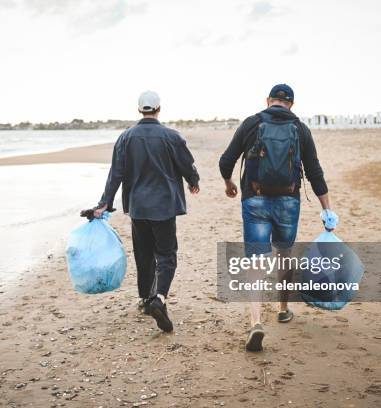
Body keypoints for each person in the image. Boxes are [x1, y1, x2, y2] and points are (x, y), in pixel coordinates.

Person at [218, 84, 338, 351]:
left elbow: (226, 161)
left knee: (256, 262)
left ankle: (256, 322)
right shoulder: (300, 129)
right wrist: (327, 209)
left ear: (268, 100)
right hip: (288, 201)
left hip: (255, 200)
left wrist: (229, 184)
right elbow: (314, 172)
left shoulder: (251, 123)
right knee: (284, 254)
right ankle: (283, 309)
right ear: (291, 104)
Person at [93, 90, 200, 333]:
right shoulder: (171, 136)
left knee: (143, 254)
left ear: (140, 109)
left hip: (138, 207)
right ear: (159, 109)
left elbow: (115, 175)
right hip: (164, 206)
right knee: (166, 255)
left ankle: (144, 299)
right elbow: (186, 163)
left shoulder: (125, 137)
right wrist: (193, 180)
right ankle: (159, 298)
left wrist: (104, 204)